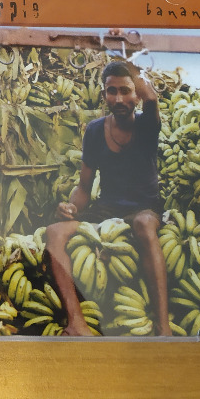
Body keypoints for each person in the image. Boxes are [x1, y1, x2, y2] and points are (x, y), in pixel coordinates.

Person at [45, 59, 170, 336]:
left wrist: (126, 58)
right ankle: (76, 322)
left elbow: (151, 97)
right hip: (106, 209)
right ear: (104, 95)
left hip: (144, 207)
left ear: (136, 94)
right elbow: (84, 188)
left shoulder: (147, 125)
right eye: (112, 91)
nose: (119, 99)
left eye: (126, 91)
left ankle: (164, 327)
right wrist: (70, 207)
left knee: (144, 225)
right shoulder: (94, 131)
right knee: (54, 232)